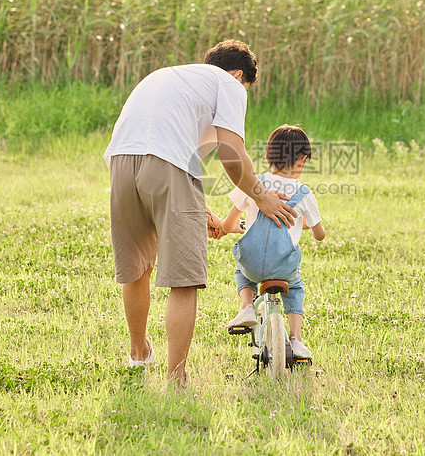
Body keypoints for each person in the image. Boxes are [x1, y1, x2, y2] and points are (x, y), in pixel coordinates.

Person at [104, 40, 297, 386]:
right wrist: (262, 197)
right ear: (240, 75)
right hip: (164, 165)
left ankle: (138, 356)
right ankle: (176, 378)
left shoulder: (174, 76)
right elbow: (231, 154)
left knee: (136, 268)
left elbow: (183, 154)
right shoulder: (230, 85)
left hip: (120, 161)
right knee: (184, 278)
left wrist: (200, 207)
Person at [214, 125, 325, 359]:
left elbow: (227, 225)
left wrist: (230, 229)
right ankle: (296, 339)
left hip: (252, 266)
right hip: (284, 268)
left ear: (267, 156)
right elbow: (319, 234)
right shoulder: (304, 193)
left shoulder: (251, 185)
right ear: (302, 160)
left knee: (241, 269)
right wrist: (304, 224)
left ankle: (246, 307)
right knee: (295, 287)